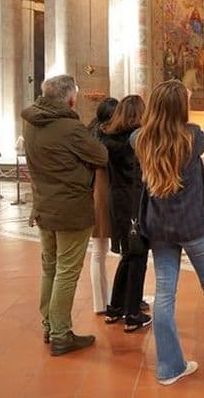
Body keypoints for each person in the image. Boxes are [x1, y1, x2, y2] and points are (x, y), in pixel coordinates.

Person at [134, 80, 204, 387]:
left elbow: (142, 134)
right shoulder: (193, 137)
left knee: (163, 294)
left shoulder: (140, 139)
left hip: (160, 228)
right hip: (194, 225)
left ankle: (169, 367)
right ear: (179, 108)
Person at [22, 74, 109, 356]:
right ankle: (61, 334)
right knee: (67, 272)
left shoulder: (31, 122)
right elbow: (101, 156)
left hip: (44, 205)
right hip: (71, 209)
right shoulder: (70, 127)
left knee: (50, 267)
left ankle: (49, 325)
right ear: (70, 99)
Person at [101, 95, 152, 332]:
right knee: (138, 254)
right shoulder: (136, 140)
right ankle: (132, 314)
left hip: (117, 199)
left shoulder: (108, 137)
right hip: (134, 200)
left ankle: (115, 308)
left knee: (128, 254)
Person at [87, 98, 118, 315]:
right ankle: (111, 299)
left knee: (98, 251)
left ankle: (101, 302)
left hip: (93, 192)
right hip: (105, 191)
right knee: (102, 250)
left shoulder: (90, 133)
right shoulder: (109, 137)